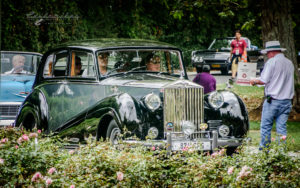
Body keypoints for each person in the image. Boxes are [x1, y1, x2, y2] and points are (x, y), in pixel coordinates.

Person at [250, 41, 294, 149]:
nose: (267, 55)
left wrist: (254, 81)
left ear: (272, 52)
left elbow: (264, 80)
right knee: (281, 129)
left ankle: (265, 152)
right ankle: (281, 153)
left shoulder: (271, 62)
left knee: (266, 127)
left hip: (273, 100)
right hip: (287, 101)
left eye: (268, 53)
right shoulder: (289, 63)